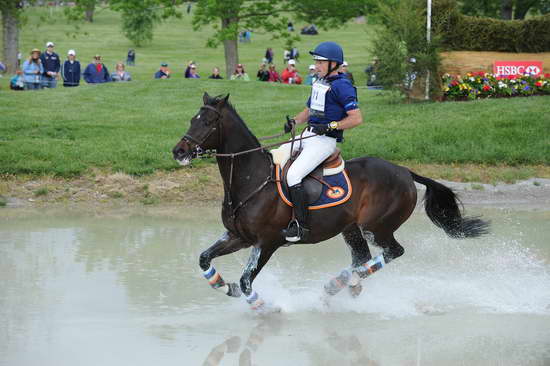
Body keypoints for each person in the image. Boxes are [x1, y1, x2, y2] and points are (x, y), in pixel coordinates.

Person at [281, 41, 362, 242]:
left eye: (320, 62)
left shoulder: (343, 87)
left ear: (333, 64)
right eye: (315, 61)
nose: (316, 66)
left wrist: (330, 126)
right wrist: (294, 121)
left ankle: (301, 226)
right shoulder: (320, 83)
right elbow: (309, 111)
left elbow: (356, 118)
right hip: (309, 135)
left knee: (293, 175)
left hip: (324, 141)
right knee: (276, 157)